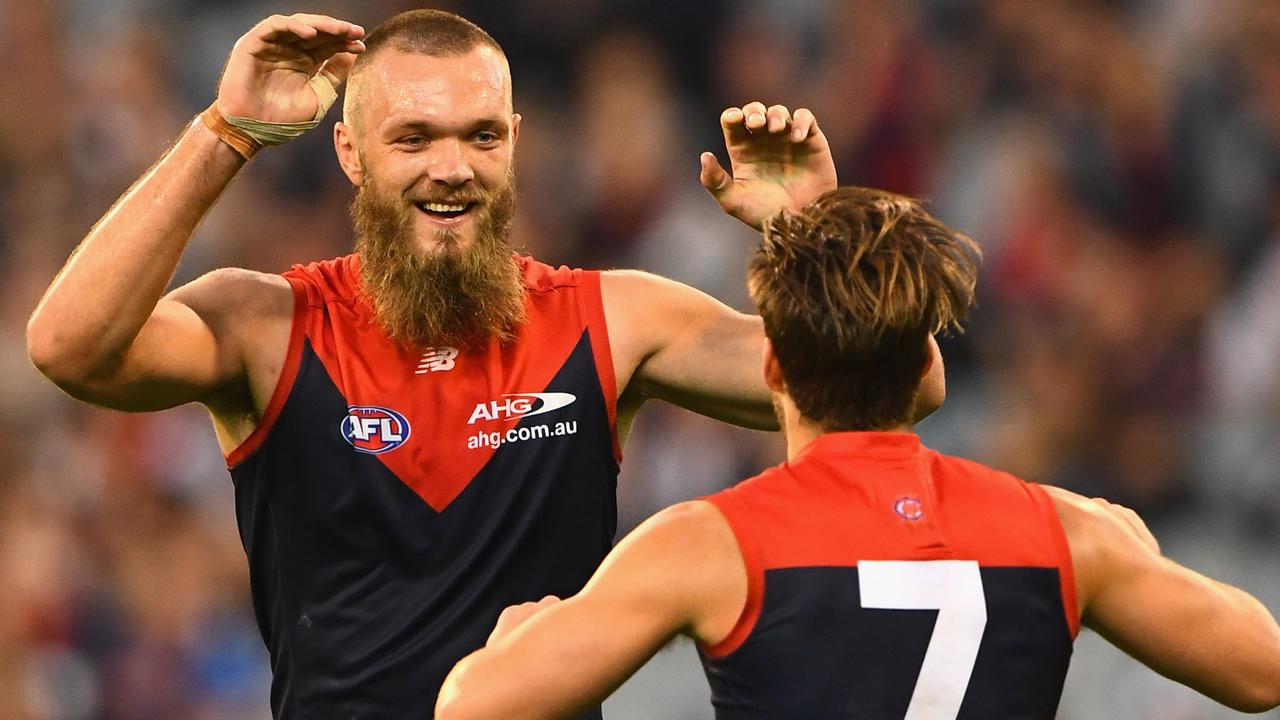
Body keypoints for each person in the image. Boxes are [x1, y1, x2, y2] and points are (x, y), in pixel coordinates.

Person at [24, 9, 839, 720]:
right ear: (350, 152)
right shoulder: (268, 324)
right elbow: (70, 347)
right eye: (413, 137)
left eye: (481, 135)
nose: (452, 167)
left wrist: (819, 237)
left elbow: (883, 389)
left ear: (516, 142)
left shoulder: (614, 320)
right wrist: (227, 132)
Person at [436, 187, 1280, 720]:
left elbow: (471, 709)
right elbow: (1261, 670)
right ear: (925, 369)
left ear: (771, 367)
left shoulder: (708, 545)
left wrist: (518, 637)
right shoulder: (1064, 532)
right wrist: (1132, 551)